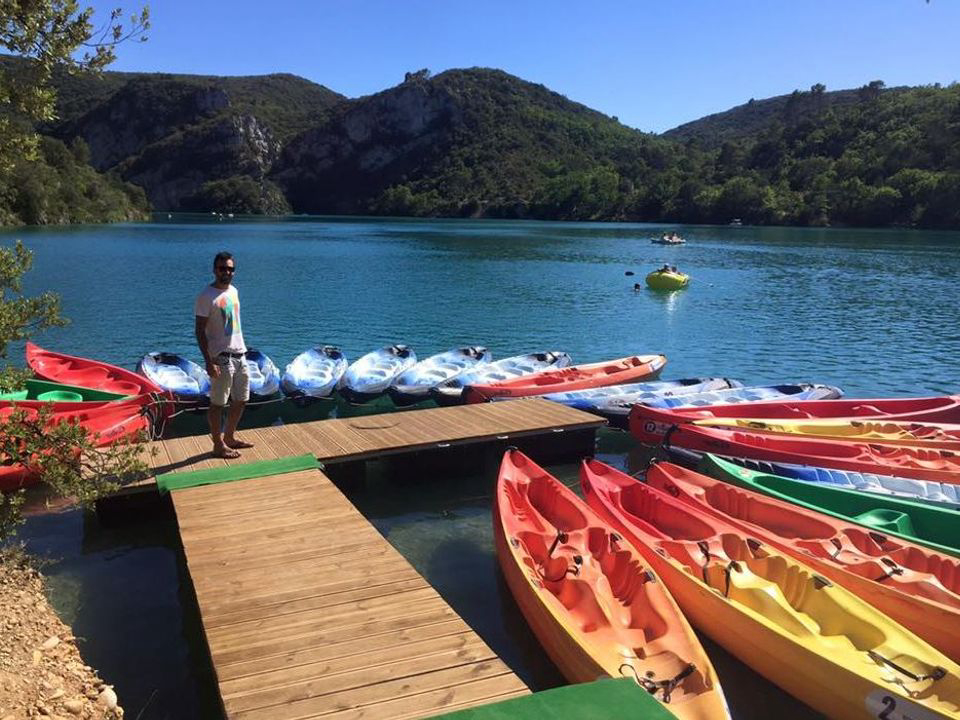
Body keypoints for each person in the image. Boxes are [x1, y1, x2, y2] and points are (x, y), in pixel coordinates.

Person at [195, 251, 253, 459]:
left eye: (230, 269)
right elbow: (200, 330)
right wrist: (208, 361)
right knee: (218, 404)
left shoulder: (234, 291)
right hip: (220, 358)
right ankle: (217, 445)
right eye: (222, 268)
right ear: (214, 270)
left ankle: (229, 436)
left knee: (242, 399)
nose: (226, 272)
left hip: (240, 355)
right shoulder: (206, 296)